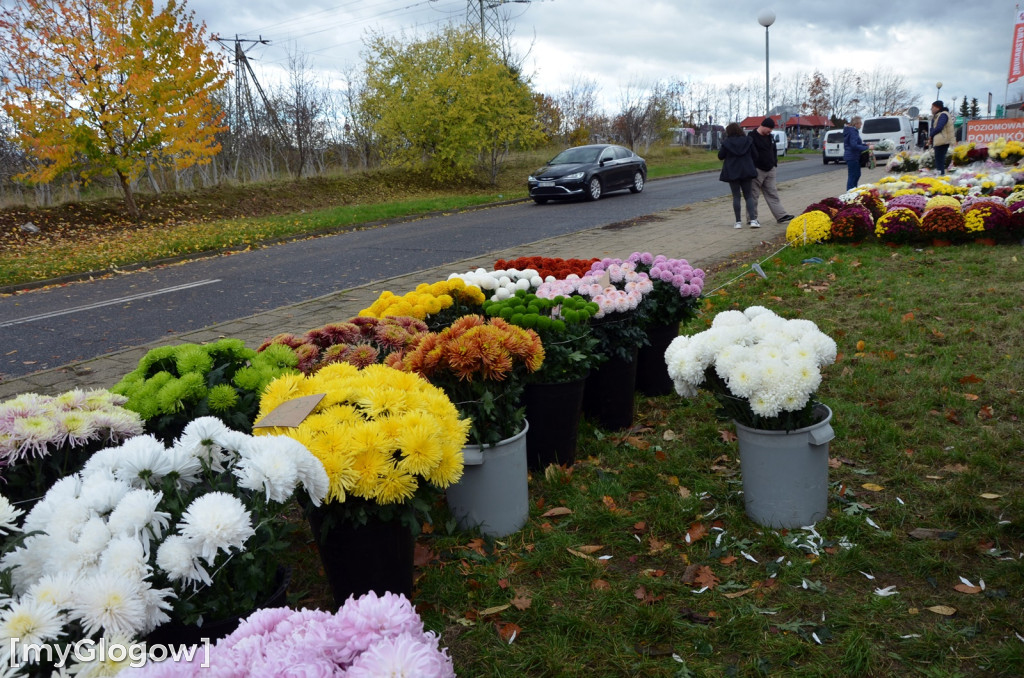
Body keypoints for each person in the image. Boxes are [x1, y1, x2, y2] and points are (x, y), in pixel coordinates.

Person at [748, 118, 794, 225]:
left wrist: (774, 163)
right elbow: (750, 153)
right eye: (769, 129)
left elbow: (773, 150)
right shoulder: (751, 137)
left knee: (773, 193)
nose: (770, 131)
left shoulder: (770, 137)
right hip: (757, 170)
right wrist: (753, 167)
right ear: (763, 126)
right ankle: (752, 218)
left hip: (770, 169)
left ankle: (781, 215)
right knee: (753, 195)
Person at [718, 123, 760, 228]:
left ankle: (738, 222)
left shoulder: (727, 142)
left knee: (736, 196)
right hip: (747, 171)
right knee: (748, 196)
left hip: (732, 172)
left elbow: (720, 156)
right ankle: (753, 220)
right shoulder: (748, 140)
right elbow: (755, 155)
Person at [843, 116, 872, 191]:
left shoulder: (852, 131)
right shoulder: (853, 132)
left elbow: (855, 143)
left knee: (856, 175)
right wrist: (867, 148)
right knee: (853, 175)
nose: (861, 125)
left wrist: (865, 145)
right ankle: (850, 192)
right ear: (856, 124)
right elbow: (853, 145)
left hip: (852, 156)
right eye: (860, 123)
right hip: (852, 156)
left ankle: (853, 191)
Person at [927, 100, 955, 173]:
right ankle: (940, 174)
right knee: (939, 160)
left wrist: (931, 134)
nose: (931, 109)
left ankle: (941, 176)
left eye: (932, 107)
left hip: (942, 140)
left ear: (937, 107)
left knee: (939, 160)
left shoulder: (943, 115)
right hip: (940, 140)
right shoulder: (938, 116)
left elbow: (939, 127)